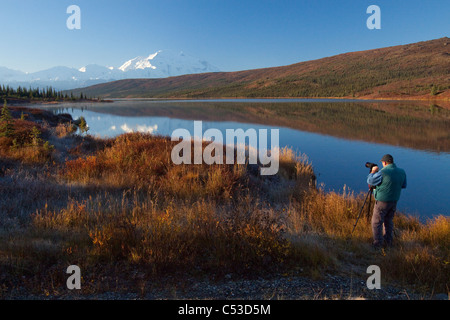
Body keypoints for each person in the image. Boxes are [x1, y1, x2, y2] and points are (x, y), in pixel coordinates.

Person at [367, 154, 407, 249]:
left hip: (382, 201)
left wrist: (373, 171)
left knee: (376, 222)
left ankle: (378, 244)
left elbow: (370, 181)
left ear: (384, 162)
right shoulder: (402, 172)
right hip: (394, 201)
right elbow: (404, 185)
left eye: (382, 163)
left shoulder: (383, 172)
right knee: (388, 221)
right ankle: (388, 242)